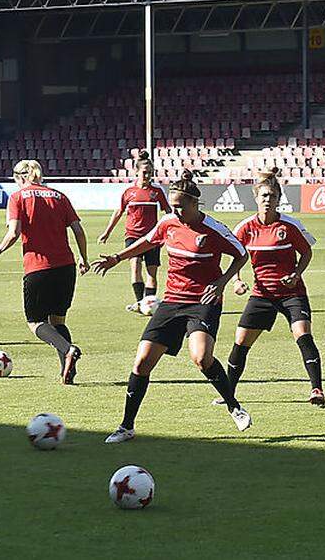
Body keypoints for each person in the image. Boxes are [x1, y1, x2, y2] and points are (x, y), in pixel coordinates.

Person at [93, 171, 252, 443]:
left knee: (201, 358)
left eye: (180, 205)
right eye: (173, 204)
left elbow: (241, 254)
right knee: (142, 361)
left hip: (202, 301)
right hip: (171, 301)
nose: (175, 209)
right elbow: (147, 241)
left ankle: (233, 406)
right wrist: (118, 258)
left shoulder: (214, 230)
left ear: (194, 203)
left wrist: (223, 282)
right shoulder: (168, 223)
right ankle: (126, 426)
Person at [222, 168, 325, 406]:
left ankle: (317, 389)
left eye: (272, 196)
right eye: (264, 196)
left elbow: (307, 252)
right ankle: (228, 393)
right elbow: (236, 255)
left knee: (303, 335)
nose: (268, 200)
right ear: (256, 198)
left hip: (292, 293)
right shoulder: (246, 227)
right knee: (241, 342)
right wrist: (237, 280)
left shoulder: (289, 226)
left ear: (279, 199)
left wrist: (296, 274)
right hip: (262, 294)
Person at [0, 159, 87, 384]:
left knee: (35, 322)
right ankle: (67, 372)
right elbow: (78, 230)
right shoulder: (59, 196)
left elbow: (14, 232)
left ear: (20, 177)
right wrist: (84, 257)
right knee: (58, 320)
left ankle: (68, 350)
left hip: (38, 267)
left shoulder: (17, 197)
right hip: (66, 267)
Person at [97, 151, 171, 313]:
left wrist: (169, 231)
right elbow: (119, 212)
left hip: (152, 238)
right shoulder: (129, 192)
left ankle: (149, 303)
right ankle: (140, 303)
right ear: (137, 172)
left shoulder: (157, 191)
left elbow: (168, 212)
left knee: (152, 272)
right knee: (135, 267)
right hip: (132, 236)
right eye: (145, 172)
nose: (147, 175)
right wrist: (107, 232)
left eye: (150, 173)